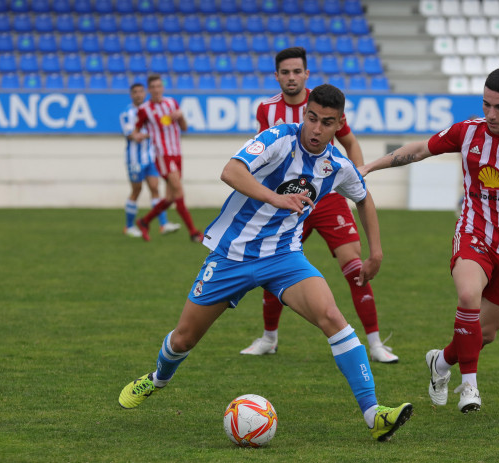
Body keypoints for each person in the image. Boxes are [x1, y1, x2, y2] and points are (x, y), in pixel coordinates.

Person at [118, 84, 413, 442]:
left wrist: (376, 252)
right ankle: (158, 379)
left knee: (333, 318)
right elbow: (230, 171)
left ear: (340, 125)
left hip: (283, 257)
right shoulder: (277, 138)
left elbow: (364, 199)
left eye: (327, 123)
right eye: (312, 118)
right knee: (183, 339)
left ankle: (374, 414)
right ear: (305, 114)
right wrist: (276, 198)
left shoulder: (337, 165)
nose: (317, 129)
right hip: (232, 255)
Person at [359, 68, 499, 413]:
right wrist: (369, 167)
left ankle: (441, 363)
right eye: (486, 105)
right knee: (468, 295)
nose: (491, 114)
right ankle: (469, 387)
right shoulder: (468, 131)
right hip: (473, 232)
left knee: (485, 334)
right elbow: (421, 149)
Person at [241, 47, 399, 364]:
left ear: (306, 74)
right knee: (274, 268)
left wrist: (357, 179)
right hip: (287, 203)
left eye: (296, 71)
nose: (291, 77)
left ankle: (375, 343)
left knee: (354, 266)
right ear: (277, 76)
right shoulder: (267, 110)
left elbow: (350, 142)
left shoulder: (325, 103)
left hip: (326, 198)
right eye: (285, 72)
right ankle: (269, 338)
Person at [133, 74, 203, 242]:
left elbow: (184, 128)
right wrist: (139, 136)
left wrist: (181, 116)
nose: (156, 90)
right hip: (163, 155)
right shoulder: (145, 109)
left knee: (171, 198)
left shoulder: (171, 103)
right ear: (149, 90)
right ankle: (193, 232)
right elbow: (136, 130)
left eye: (159, 86)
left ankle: (144, 221)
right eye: (153, 87)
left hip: (177, 153)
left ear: (162, 87)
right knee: (179, 191)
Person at [120, 83, 180, 238]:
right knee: (137, 190)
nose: (139, 94)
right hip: (135, 159)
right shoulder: (127, 113)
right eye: (135, 92)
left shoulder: (149, 110)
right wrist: (151, 133)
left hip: (151, 157)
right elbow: (132, 135)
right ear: (131, 95)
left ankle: (163, 224)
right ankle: (129, 226)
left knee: (155, 188)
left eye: (141, 91)